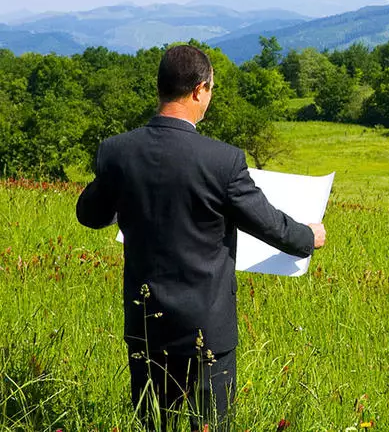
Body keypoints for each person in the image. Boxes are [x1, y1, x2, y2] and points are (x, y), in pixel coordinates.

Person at [76, 44, 326, 431]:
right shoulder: (223, 161)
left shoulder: (118, 152)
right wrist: (308, 236)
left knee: (152, 424)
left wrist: (122, 201)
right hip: (206, 329)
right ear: (198, 90)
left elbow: (89, 215)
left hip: (145, 322)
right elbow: (268, 224)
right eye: (210, 90)